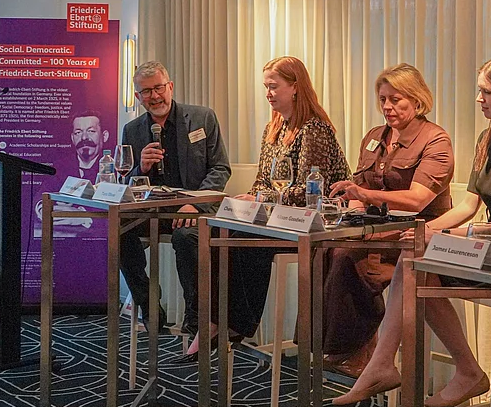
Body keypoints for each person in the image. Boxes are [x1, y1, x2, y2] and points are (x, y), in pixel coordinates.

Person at [334, 55, 491, 407]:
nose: (479, 99)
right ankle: (440, 368)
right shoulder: (489, 138)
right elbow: (468, 206)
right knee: (416, 260)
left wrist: (451, 237)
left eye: (486, 92)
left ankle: (392, 364)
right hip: (489, 246)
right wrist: (425, 232)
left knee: (414, 263)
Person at [181, 56, 351, 358]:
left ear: (295, 87)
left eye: (274, 87)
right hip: (278, 216)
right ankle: (218, 321)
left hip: (313, 222)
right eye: (265, 87)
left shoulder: (314, 128)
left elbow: (309, 190)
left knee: (245, 243)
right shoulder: (273, 128)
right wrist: (253, 196)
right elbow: (263, 181)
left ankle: (228, 324)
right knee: (221, 236)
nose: (268, 94)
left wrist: (261, 199)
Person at [324, 63, 454, 377]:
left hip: (414, 236)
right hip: (373, 230)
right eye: (383, 99)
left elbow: (416, 200)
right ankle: (328, 344)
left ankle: (362, 345)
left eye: (396, 100)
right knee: (324, 249)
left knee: (345, 257)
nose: (387, 107)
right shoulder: (374, 136)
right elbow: (360, 190)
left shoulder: (435, 140)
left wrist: (365, 197)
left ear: (417, 99)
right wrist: (351, 211)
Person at [121, 61, 231, 334]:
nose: (154, 96)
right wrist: (140, 169)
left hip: (192, 211)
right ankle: (147, 301)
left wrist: (196, 204)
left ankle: (195, 314)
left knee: (186, 237)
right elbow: (125, 182)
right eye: (146, 92)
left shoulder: (202, 118)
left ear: (170, 87)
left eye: (158, 88)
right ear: (138, 97)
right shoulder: (132, 130)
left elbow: (220, 168)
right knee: (118, 229)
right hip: (151, 211)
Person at [70, 110, 110, 182]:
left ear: (104, 136)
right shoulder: (58, 170)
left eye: (91, 131)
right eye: (78, 132)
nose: (84, 137)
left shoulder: (114, 170)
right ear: (72, 138)